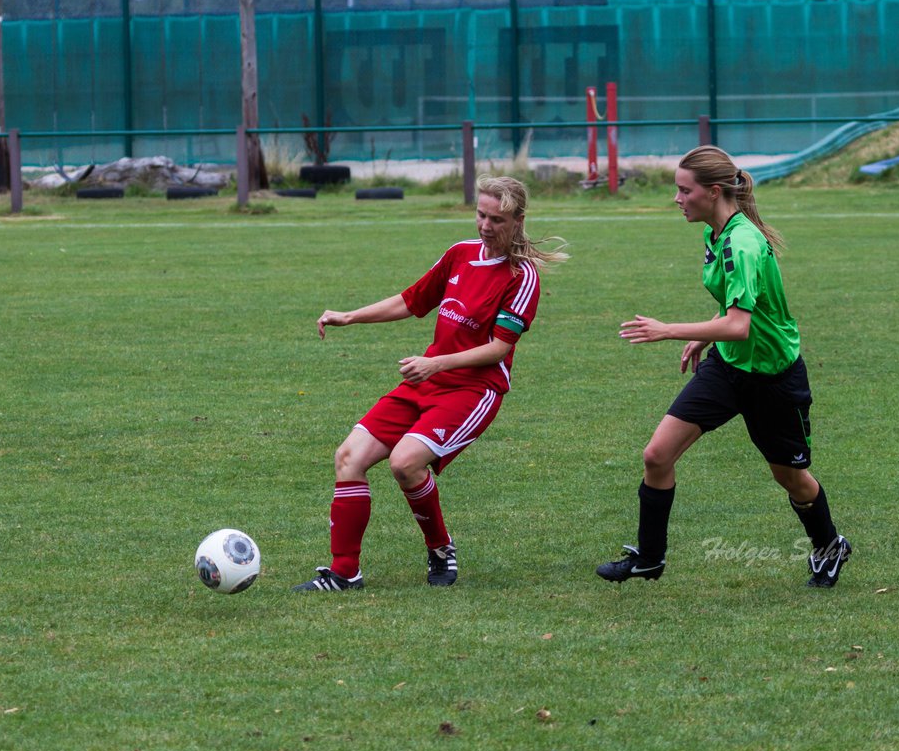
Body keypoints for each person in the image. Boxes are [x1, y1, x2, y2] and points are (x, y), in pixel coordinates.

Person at [596, 145, 851, 589]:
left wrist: (668, 329)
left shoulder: (742, 243)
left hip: (773, 378)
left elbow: (740, 325)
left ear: (713, 192)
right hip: (729, 368)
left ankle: (830, 547)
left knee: (792, 479)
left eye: (683, 190)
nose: (677, 199)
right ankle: (649, 559)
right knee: (657, 455)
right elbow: (732, 315)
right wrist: (704, 333)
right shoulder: (717, 233)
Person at [295, 176, 567, 591]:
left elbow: (498, 349)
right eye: (480, 214)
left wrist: (435, 364)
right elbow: (411, 301)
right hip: (428, 378)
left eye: (497, 218)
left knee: (405, 464)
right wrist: (350, 316)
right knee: (348, 456)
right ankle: (344, 572)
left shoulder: (522, 277)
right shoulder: (460, 254)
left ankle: (440, 547)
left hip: (474, 390)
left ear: (518, 220)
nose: (485, 226)